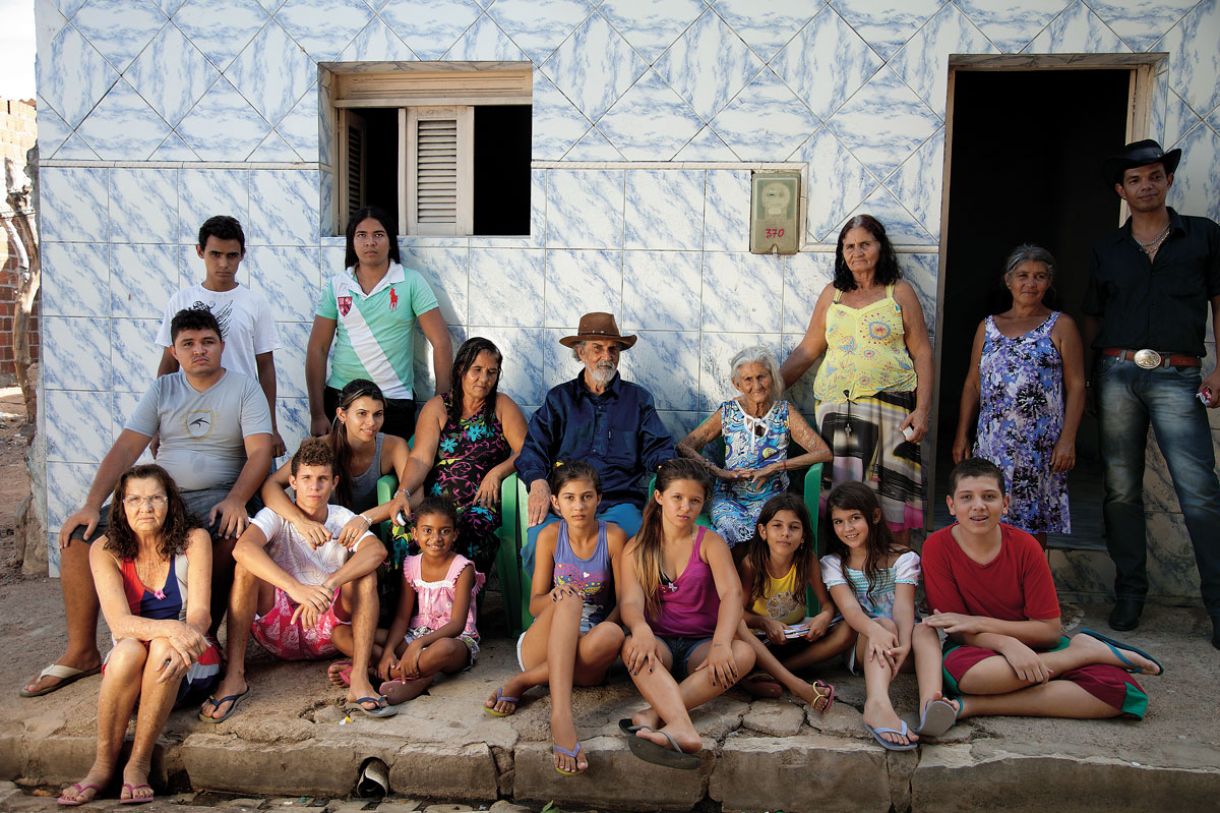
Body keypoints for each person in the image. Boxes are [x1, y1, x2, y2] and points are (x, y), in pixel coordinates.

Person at [23, 307, 273, 699]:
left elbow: (260, 453)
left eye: (207, 342)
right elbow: (126, 448)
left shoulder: (244, 388)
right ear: (174, 350)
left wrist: (238, 499)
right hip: (162, 496)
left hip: (220, 495)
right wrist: (92, 503)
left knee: (231, 540)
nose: (199, 351)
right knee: (77, 539)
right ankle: (82, 651)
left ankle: (202, 638)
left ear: (222, 346)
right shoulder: (163, 389)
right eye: (188, 344)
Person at [1082, 139, 1220, 644]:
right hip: (1117, 372)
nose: (1146, 185)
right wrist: (1092, 377)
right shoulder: (1107, 249)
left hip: (1181, 376)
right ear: (1122, 190)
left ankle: (1218, 604)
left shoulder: (1203, 237)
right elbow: (1093, 316)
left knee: (1199, 489)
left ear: (1167, 181)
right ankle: (1130, 593)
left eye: (1154, 176)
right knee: (1121, 488)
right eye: (1135, 179)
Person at [923, 458, 1162, 723]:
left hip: (1035, 644)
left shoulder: (1026, 546)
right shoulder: (936, 547)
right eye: (966, 497)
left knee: (1120, 694)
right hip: (976, 648)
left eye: (989, 496)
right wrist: (1005, 643)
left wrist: (985, 625)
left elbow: (1048, 631)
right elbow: (959, 628)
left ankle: (975, 706)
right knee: (976, 678)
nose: (978, 506)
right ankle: (1080, 654)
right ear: (951, 506)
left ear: (1005, 503)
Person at [56, 465, 220, 806]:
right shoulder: (105, 549)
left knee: (161, 646)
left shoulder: (194, 539)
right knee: (129, 649)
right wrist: (170, 629)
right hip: (129, 668)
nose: (145, 508)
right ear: (121, 507)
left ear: (170, 503)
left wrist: (179, 636)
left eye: (155, 498)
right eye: (134, 500)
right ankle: (102, 767)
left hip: (188, 659)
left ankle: (138, 764)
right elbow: (119, 624)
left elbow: (200, 615)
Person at [201, 439, 394, 721]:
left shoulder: (342, 518)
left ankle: (360, 678)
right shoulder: (276, 516)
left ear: (334, 482)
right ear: (292, 481)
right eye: (306, 479)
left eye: (322, 479)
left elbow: (377, 551)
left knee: (365, 576)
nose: (314, 488)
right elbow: (243, 548)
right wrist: (296, 589)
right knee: (245, 567)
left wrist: (329, 585)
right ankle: (234, 677)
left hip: (329, 627)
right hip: (278, 626)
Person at [780, 215, 933, 542]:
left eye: (865, 244)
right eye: (849, 246)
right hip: (839, 416)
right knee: (843, 504)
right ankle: (843, 581)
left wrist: (922, 411)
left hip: (892, 414)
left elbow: (922, 352)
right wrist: (767, 391)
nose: (857, 252)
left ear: (881, 247)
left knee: (891, 500)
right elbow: (808, 350)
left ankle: (894, 583)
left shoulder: (899, 292)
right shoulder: (833, 295)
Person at [483, 463, 626, 777]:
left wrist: (605, 627)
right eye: (570, 498)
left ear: (599, 499)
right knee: (570, 597)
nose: (579, 506)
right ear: (556, 503)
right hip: (542, 645)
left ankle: (525, 681)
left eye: (587, 497)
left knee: (613, 634)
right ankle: (561, 717)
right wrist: (558, 596)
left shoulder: (613, 537)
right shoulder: (550, 536)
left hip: (587, 652)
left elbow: (625, 603)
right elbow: (535, 605)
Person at [617, 459, 755, 770]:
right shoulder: (637, 547)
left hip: (701, 648)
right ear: (659, 497)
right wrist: (640, 629)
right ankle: (681, 725)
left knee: (744, 653)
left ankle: (653, 715)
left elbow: (731, 595)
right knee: (631, 647)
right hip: (660, 645)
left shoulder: (710, 542)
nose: (685, 508)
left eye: (695, 501)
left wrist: (720, 644)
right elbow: (630, 602)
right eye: (677, 498)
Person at [517, 312, 675, 574]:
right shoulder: (559, 399)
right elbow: (534, 448)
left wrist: (668, 472)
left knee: (642, 548)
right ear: (580, 353)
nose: (607, 356)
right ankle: (547, 611)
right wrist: (538, 482)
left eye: (613, 349)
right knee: (538, 545)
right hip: (567, 506)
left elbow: (658, 448)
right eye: (598, 349)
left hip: (618, 502)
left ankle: (623, 614)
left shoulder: (638, 399)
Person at [952, 245, 1086, 546]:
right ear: (1008, 280)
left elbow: (1077, 385)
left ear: (1049, 283)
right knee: (986, 512)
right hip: (993, 441)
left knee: (1032, 520)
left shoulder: (1061, 325)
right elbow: (972, 384)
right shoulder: (988, 327)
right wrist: (962, 434)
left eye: (1040, 276)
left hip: (1039, 444)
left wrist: (1067, 440)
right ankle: (990, 585)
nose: (1031, 283)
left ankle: (1029, 587)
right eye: (1023, 276)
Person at [260, 378, 411, 629]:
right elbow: (270, 486)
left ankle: (399, 617)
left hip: (366, 539)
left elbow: (410, 500)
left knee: (404, 532)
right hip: (325, 539)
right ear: (341, 414)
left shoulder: (394, 446)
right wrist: (301, 522)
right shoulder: (322, 448)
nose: (371, 423)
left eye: (378, 415)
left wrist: (365, 518)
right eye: (361, 414)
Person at [821, 482, 955, 750]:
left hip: (901, 648)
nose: (847, 528)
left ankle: (931, 704)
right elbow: (851, 611)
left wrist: (905, 643)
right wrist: (878, 632)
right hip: (864, 646)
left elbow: (904, 607)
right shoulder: (833, 563)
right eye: (839, 521)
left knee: (925, 628)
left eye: (855, 518)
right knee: (881, 624)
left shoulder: (903, 558)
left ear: (874, 516)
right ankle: (878, 704)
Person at [306, 206, 454, 441]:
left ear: (390, 241)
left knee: (391, 476)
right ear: (352, 242)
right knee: (337, 475)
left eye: (378, 234)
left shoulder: (411, 282)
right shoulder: (337, 285)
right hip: (342, 399)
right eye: (361, 235)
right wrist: (316, 413)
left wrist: (441, 404)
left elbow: (442, 343)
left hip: (393, 401)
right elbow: (317, 349)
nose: (370, 242)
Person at [389, 337, 527, 576]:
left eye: (492, 372)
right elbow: (420, 458)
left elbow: (526, 450)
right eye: (477, 370)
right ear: (461, 369)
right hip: (437, 504)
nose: (484, 379)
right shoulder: (438, 407)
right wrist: (404, 492)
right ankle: (415, 608)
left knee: (468, 531)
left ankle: (462, 605)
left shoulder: (502, 406)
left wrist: (497, 472)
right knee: (409, 533)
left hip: (480, 503)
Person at [155, 215, 284, 457]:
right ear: (200, 251)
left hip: (243, 415)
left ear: (242, 255)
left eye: (231, 255)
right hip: (190, 413)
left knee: (256, 485)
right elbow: (168, 364)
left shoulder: (255, 303)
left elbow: (266, 367)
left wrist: (271, 426)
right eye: (215, 254)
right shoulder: (181, 300)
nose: (223, 263)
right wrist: (156, 422)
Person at [677, 346, 831, 548]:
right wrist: (717, 471)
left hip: (772, 500)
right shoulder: (728, 412)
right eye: (748, 380)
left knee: (766, 535)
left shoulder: (784, 413)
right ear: (737, 384)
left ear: (772, 378)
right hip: (729, 498)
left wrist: (775, 467)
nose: (756, 385)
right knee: (731, 531)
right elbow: (685, 445)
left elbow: (824, 453)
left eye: (762, 377)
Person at [736, 492, 847, 711]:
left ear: (803, 536)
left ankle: (772, 672)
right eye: (777, 526)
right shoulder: (752, 564)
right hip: (761, 641)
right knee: (737, 630)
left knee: (848, 629)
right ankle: (793, 682)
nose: (785, 534)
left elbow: (827, 605)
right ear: (763, 531)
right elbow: (738, 613)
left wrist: (824, 617)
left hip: (796, 637)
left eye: (794, 528)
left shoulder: (807, 561)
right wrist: (765, 623)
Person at [376, 496, 483, 705]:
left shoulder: (463, 568)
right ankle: (416, 674)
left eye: (444, 531)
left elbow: (457, 624)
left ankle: (389, 671)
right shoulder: (411, 565)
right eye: (427, 530)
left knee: (444, 648)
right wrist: (390, 651)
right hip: (417, 634)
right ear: (415, 533)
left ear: (455, 535)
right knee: (359, 634)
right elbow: (401, 617)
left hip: (455, 640)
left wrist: (419, 644)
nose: (436, 537)